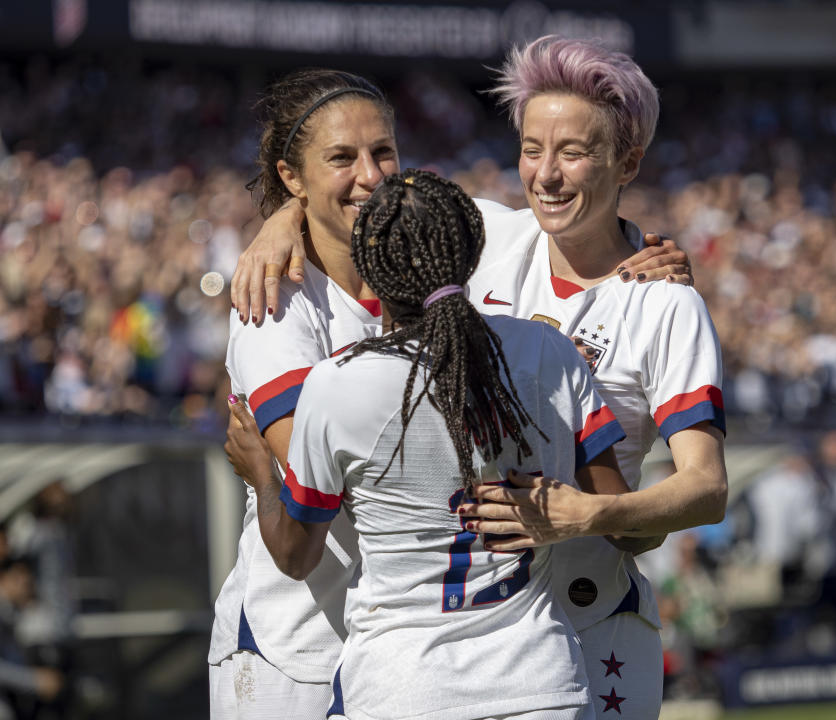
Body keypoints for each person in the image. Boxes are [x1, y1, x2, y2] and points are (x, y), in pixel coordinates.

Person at [227, 36, 723, 719]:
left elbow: (705, 487)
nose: (545, 175)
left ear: (627, 161)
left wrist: (585, 514)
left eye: (572, 152)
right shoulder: (489, 235)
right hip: (484, 633)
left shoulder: (662, 301)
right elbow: (370, 199)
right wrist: (281, 221)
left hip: (587, 615)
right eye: (530, 148)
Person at [225, 169, 639, 719]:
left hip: (402, 688)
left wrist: (261, 475)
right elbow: (629, 529)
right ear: (471, 258)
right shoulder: (550, 352)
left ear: (371, 273)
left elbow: (296, 557)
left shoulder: (337, 384)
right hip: (544, 685)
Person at [208, 69, 399, 718]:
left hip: (391, 647)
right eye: (341, 158)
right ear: (293, 176)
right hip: (292, 650)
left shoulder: (423, 275)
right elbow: (316, 469)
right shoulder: (272, 301)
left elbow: (553, 232)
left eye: (383, 152)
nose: (371, 175)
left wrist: (638, 254)